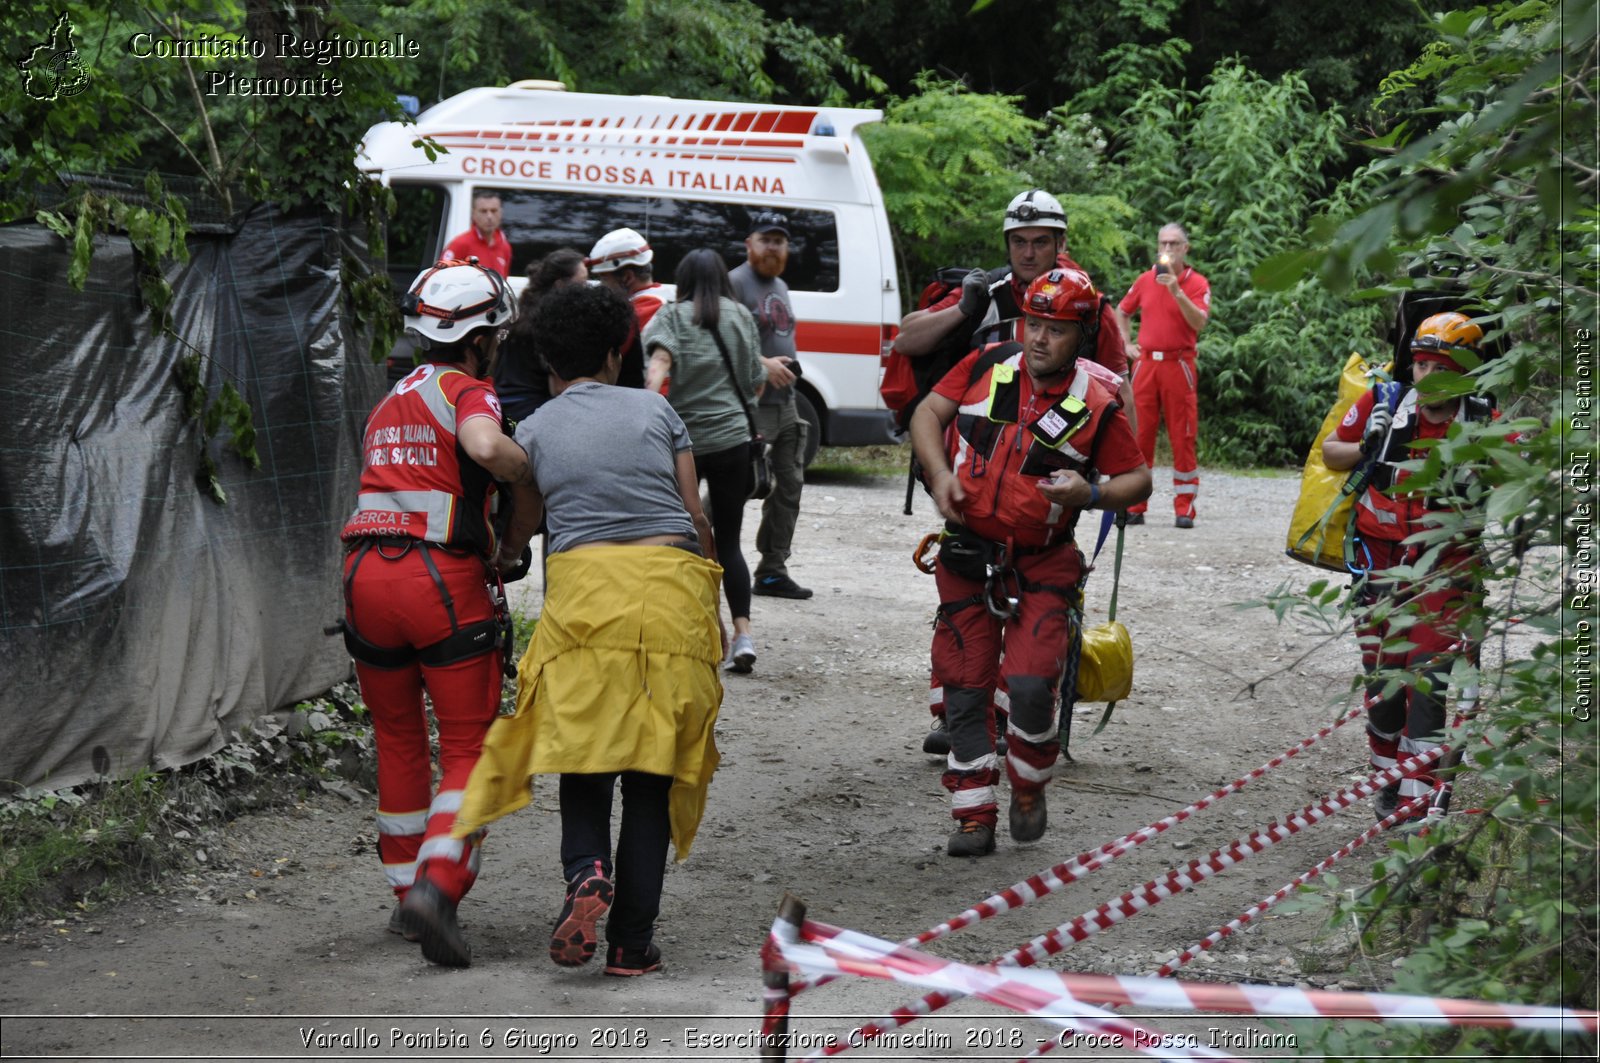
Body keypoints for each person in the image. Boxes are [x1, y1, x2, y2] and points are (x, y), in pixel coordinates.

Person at [453, 283, 725, 978]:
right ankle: (632, 945)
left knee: (584, 758)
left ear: (549, 361)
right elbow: (696, 516)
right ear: (616, 352)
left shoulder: (537, 427)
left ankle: (586, 869)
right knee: (652, 776)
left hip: (586, 604)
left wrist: (507, 556)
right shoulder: (658, 409)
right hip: (669, 596)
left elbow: (526, 516)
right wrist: (712, 605)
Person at [910, 268, 1151, 857]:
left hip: (1044, 565)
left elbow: (1138, 477)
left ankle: (1029, 783)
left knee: (1029, 689)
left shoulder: (1096, 399)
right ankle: (974, 813)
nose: (1040, 338)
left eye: (1057, 329)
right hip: (967, 557)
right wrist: (940, 476)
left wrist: (1090, 494)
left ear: (1083, 334)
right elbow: (925, 416)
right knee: (965, 691)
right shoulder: (986, 365)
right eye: (1034, 323)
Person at [340, 259, 538, 968]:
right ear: (482, 337)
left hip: (364, 578)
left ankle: (404, 898)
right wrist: (528, 470)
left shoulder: (392, 398)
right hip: (439, 580)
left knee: (396, 740)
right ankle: (439, 884)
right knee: (469, 747)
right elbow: (486, 449)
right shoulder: (469, 390)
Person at [897, 189, 1134, 757]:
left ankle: (1012, 716)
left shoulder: (1088, 307)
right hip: (968, 470)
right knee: (962, 599)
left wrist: (1109, 486)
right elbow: (906, 339)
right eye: (1019, 242)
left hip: (1049, 475)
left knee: (1034, 601)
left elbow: (1119, 388)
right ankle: (961, 715)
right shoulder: (989, 291)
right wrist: (964, 309)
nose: (1029, 253)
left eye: (1040, 242)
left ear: (1060, 244)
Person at [1321, 312, 1494, 827]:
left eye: (1441, 368)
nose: (1427, 376)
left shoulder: (1485, 421)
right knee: (1383, 690)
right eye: (1420, 365)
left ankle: (1420, 803)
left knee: (1432, 686)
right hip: (1378, 565)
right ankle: (1388, 780)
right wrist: (1367, 446)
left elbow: (1521, 480)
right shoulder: (1385, 401)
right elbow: (1332, 453)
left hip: (1448, 573)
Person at [641, 249, 767, 673]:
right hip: (733, 441)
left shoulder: (671, 316)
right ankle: (743, 635)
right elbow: (755, 380)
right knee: (729, 542)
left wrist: (643, 407)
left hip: (685, 446)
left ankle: (697, 632)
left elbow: (658, 364)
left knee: (684, 538)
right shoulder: (741, 316)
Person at [729, 210, 811, 600]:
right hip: (752, 403)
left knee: (788, 486)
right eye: (766, 240)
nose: (773, 247)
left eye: (780, 241)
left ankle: (772, 570)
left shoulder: (779, 282)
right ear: (750, 244)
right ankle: (692, 544)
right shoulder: (734, 283)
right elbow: (718, 339)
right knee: (741, 483)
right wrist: (762, 365)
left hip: (786, 403)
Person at [1113, 224, 1211, 528]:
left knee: (1183, 436)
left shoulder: (1196, 283)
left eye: (1174, 244)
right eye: (1163, 244)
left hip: (1179, 364)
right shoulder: (1144, 280)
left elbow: (1199, 322)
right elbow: (1122, 311)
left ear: (1185, 248)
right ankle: (1135, 505)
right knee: (1139, 433)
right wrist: (1125, 344)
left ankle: (1184, 509)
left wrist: (1176, 291)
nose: (1167, 249)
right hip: (1146, 364)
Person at [495, 248, 588, 425]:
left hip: (500, 409)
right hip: (533, 414)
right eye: (582, 283)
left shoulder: (521, 313)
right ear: (561, 284)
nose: (586, 289)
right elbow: (560, 387)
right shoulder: (553, 323)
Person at [586, 227, 666, 389]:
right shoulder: (668, 298)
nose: (601, 284)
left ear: (628, 277)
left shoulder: (633, 313)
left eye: (603, 277)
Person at [443, 191, 512, 278]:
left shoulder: (504, 246)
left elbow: (503, 283)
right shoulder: (460, 244)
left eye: (494, 211)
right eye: (483, 211)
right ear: (473, 214)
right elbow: (443, 277)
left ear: (501, 213)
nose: (489, 216)